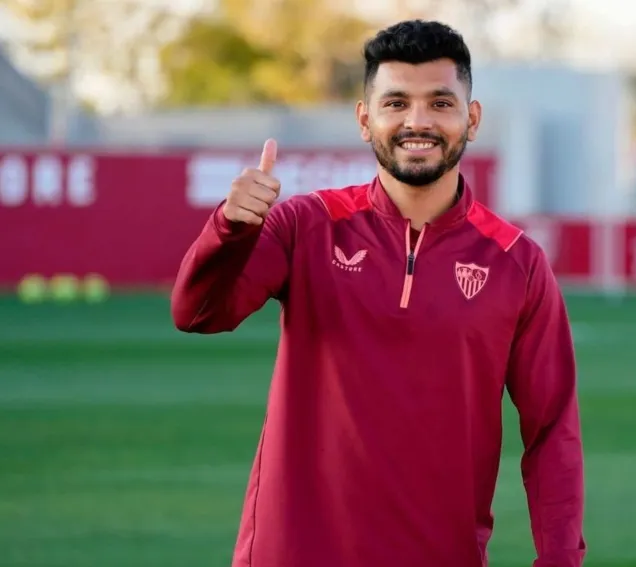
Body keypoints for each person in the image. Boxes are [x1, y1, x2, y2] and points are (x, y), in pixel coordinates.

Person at [171, 19, 586, 567]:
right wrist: (229, 228)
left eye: (440, 102)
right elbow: (198, 312)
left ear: (472, 118)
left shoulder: (517, 262)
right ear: (365, 120)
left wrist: (560, 559)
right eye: (396, 103)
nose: (417, 121)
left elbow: (552, 429)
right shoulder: (305, 226)